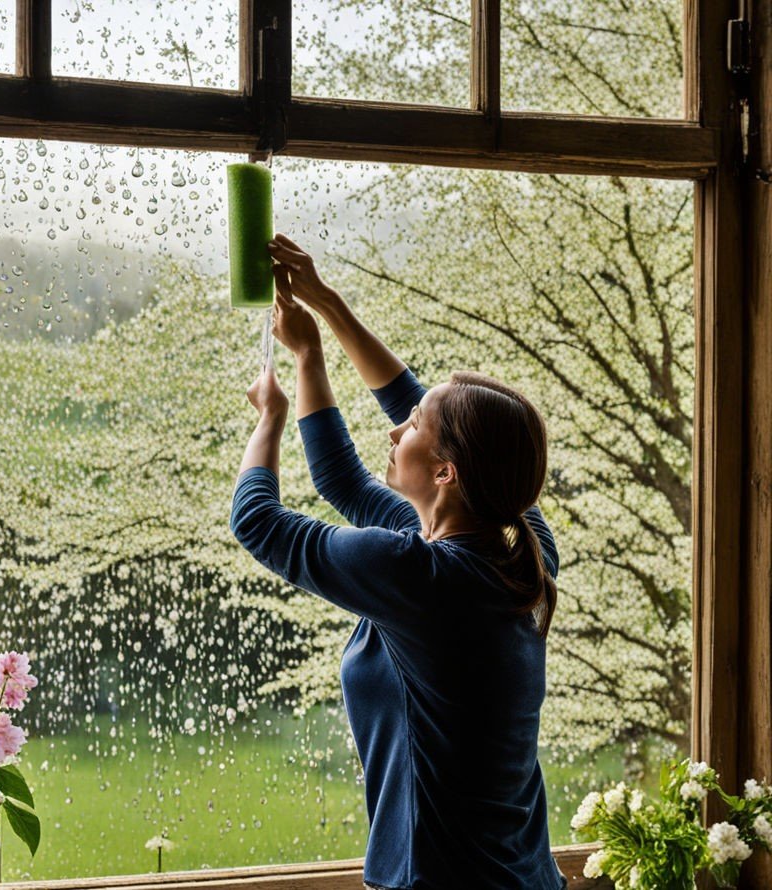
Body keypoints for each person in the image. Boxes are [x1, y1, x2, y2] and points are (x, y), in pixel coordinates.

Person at [229, 233, 567, 890]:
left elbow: (258, 523)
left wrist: (268, 419)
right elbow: (344, 482)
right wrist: (320, 325)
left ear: (445, 472)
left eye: (410, 427)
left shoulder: (419, 576)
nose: (394, 428)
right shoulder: (522, 548)